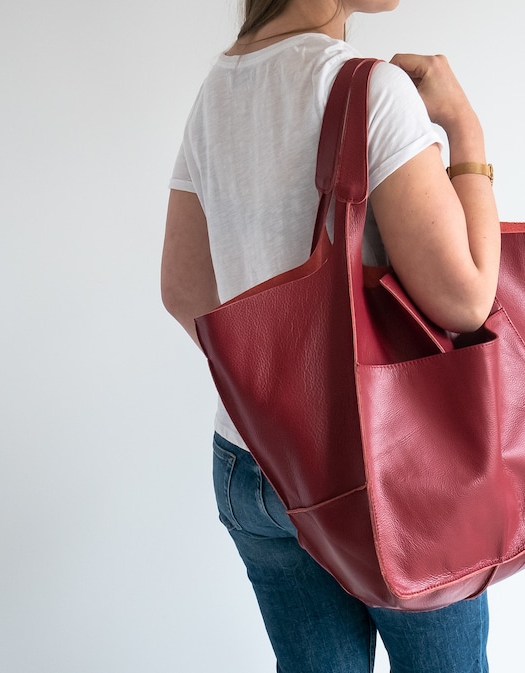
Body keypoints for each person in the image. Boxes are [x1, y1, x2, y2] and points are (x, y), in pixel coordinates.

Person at [161, 1, 500, 671]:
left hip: (251, 461)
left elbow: (185, 291)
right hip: (380, 474)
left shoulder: (217, 90)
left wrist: (281, 388)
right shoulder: (371, 89)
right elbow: (466, 299)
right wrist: (466, 131)